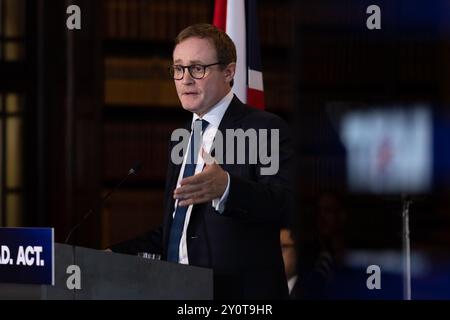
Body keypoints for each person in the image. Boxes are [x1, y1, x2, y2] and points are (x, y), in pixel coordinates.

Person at [110, 23, 294, 299]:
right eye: (178, 68)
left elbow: (285, 204)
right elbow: (177, 228)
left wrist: (228, 188)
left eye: (198, 68)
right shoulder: (182, 137)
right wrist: (114, 255)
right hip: (179, 291)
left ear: (229, 72)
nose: (185, 79)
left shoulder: (263, 128)